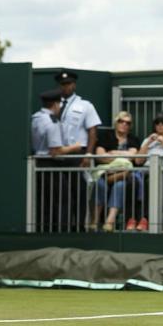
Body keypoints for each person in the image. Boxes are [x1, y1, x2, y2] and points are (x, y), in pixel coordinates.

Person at [55, 70, 102, 231]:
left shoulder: (85, 105)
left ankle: (80, 226)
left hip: (77, 153)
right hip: (59, 153)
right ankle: (62, 226)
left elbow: (92, 131)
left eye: (68, 84)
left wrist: (88, 154)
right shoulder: (54, 104)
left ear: (74, 85)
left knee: (79, 192)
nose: (65, 87)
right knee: (61, 193)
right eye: (62, 84)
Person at [31, 89, 82, 232]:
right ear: (55, 104)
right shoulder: (51, 122)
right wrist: (75, 147)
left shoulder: (36, 118)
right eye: (59, 104)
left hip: (39, 165)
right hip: (51, 166)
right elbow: (56, 151)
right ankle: (62, 231)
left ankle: (45, 230)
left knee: (46, 202)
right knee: (62, 201)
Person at [90, 111, 141, 232]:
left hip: (123, 174)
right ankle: (94, 221)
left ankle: (109, 222)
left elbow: (133, 156)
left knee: (120, 185)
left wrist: (113, 153)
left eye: (128, 123)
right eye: (121, 121)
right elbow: (100, 156)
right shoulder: (105, 136)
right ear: (116, 122)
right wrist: (123, 156)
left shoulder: (133, 139)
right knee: (100, 184)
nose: (124, 124)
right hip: (106, 172)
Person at [133, 113, 163, 231]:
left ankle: (147, 218)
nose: (160, 126)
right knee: (137, 180)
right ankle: (141, 218)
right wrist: (148, 143)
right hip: (146, 169)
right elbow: (138, 160)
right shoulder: (147, 140)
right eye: (157, 123)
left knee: (153, 179)